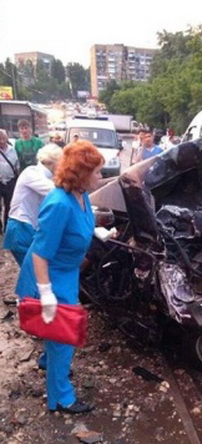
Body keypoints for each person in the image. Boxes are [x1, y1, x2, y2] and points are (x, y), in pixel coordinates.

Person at [15, 140, 104, 414]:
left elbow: (81, 227)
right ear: (82, 174)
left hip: (66, 273)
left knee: (57, 335)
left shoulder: (81, 196)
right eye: (97, 172)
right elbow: (40, 253)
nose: (101, 176)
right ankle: (61, 399)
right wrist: (46, 293)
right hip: (49, 276)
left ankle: (48, 361)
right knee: (64, 338)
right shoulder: (59, 204)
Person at [3, 144, 63, 265]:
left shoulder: (45, 176)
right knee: (35, 270)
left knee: (35, 270)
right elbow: (55, 192)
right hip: (21, 228)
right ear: (52, 162)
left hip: (27, 228)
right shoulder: (32, 172)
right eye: (61, 163)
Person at [0, 129, 19, 234]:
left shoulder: (12, 150)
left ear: (6, 138)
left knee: (9, 205)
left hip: (10, 182)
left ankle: (7, 228)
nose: (2, 141)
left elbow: (17, 165)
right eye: (0, 139)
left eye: (3, 138)